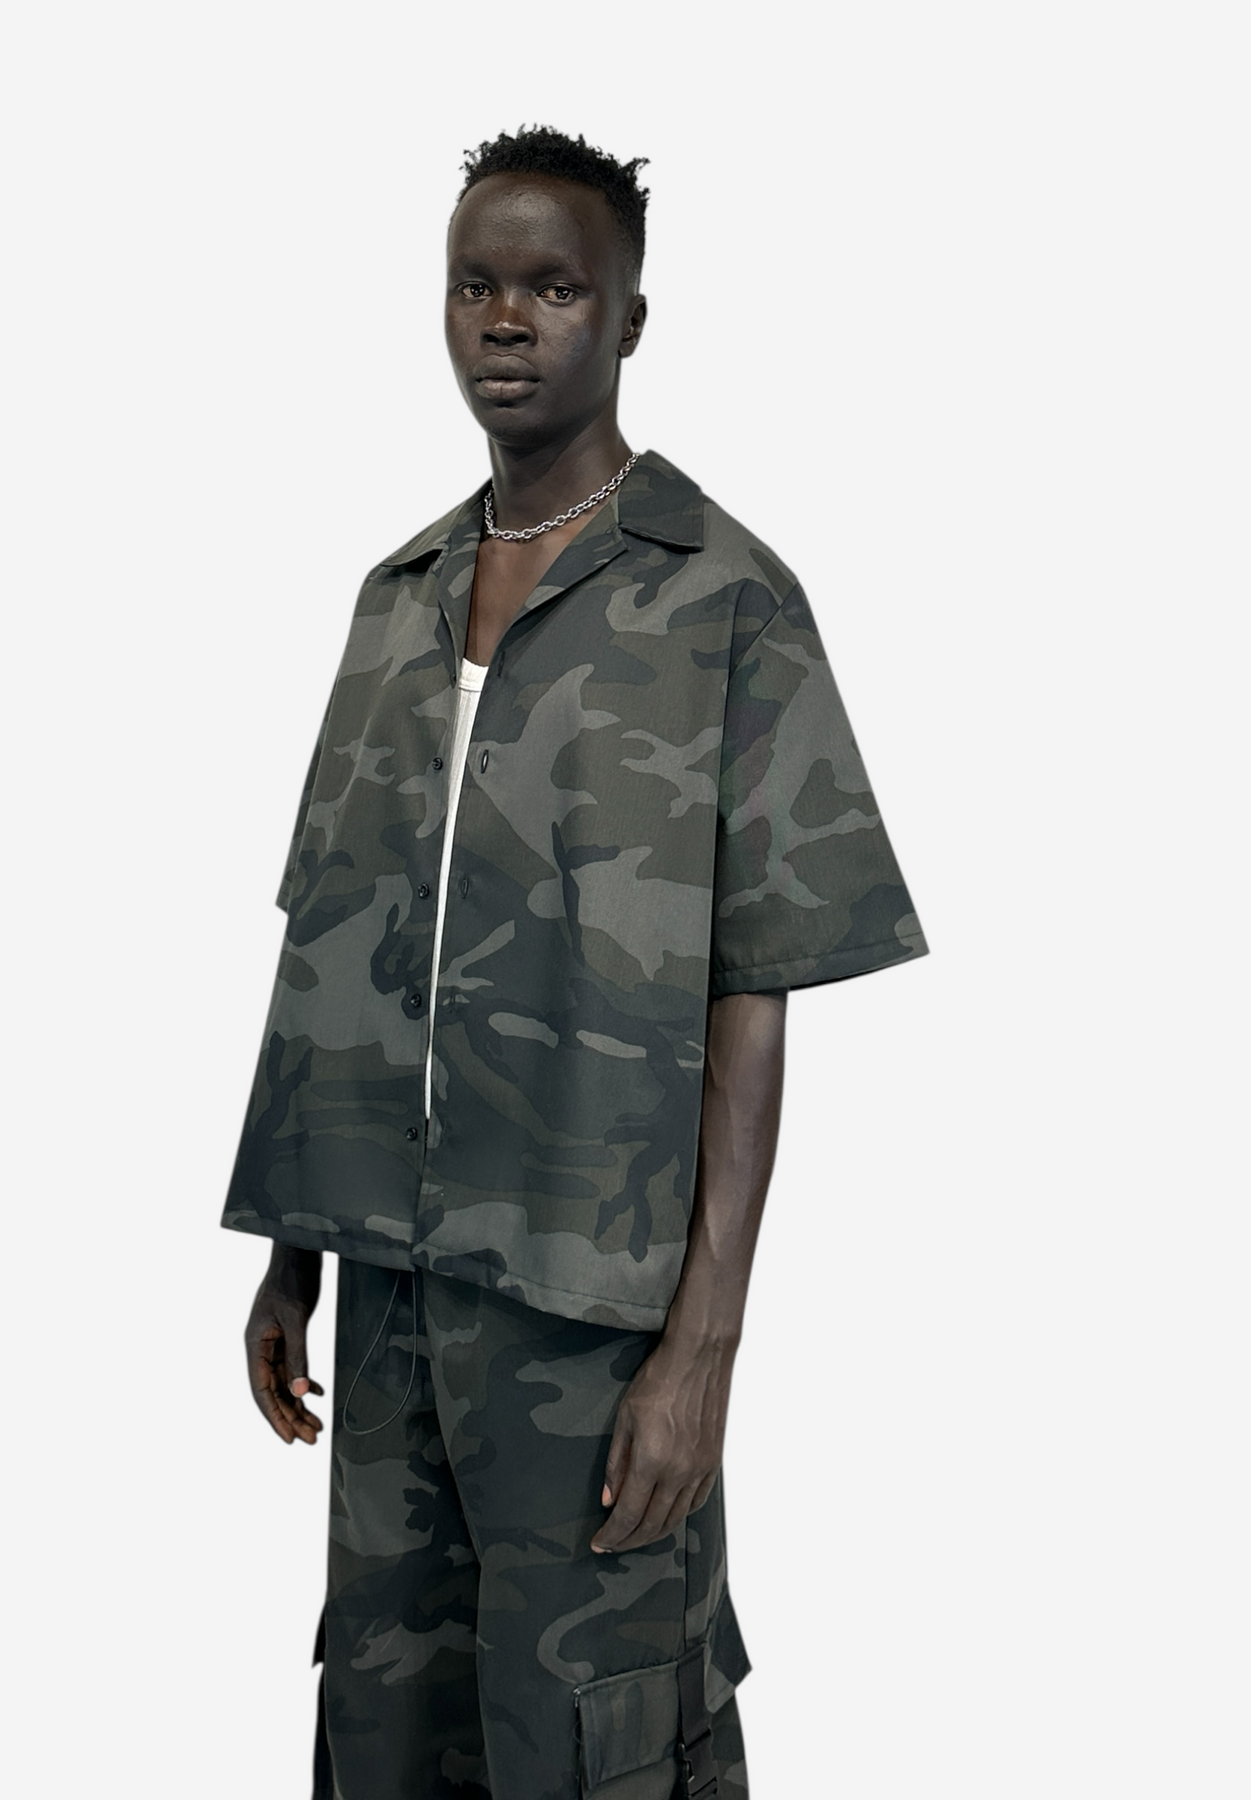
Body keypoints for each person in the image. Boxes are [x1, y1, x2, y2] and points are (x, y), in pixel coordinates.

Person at [222, 125, 929, 1800]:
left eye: (552, 287)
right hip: (388, 1298)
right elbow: (336, 937)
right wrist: (294, 1255)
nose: (506, 319)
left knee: (597, 1734)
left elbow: (751, 988)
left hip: (589, 1311)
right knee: (389, 1722)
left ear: (628, 317)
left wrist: (701, 1353)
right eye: (474, 284)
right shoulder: (395, 598)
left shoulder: (724, 599)